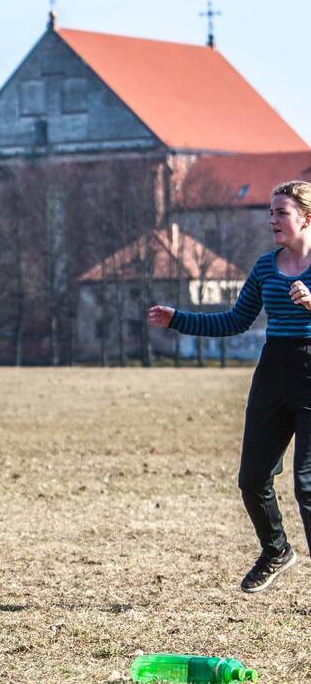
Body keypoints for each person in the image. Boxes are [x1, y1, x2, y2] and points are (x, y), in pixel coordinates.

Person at [148, 180, 311, 594]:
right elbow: (234, 321)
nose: (272, 220)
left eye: (282, 213)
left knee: (306, 485)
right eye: (271, 212)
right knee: (252, 478)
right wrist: (178, 318)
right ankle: (276, 550)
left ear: (306, 218)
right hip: (273, 373)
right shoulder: (264, 267)